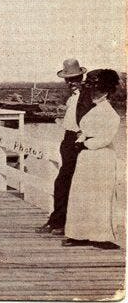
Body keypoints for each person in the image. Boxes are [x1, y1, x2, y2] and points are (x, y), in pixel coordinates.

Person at [63, 69, 122, 250]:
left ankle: (101, 236)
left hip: (101, 158)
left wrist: (85, 144)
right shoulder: (93, 109)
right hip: (87, 158)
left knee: (100, 196)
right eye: (92, 89)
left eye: (98, 89)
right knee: (80, 194)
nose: (93, 93)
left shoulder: (111, 114)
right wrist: (80, 141)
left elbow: (105, 138)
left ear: (107, 91)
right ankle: (78, 233)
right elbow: (84, 130)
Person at [36, 58, 92, 236]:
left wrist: (81, 138)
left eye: (74, 79)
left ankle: (62, 223)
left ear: (81, 77)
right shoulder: (73, 97)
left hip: (78, 140)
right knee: (62, 182)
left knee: (66, 182)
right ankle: (57, 221)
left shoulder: (88, 96)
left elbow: (90, 120)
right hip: (68, 139)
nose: (70, 83)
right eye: (68, 79)